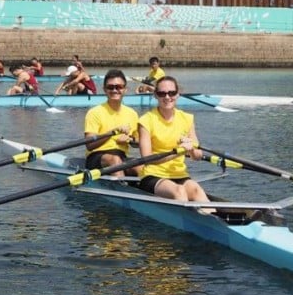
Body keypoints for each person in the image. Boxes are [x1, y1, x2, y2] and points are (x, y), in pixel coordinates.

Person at [136, 76, 212, 209]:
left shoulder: (187, 119)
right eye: (162, 93)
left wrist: (191, 150)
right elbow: (147, 158)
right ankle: (188, 225)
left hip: (180, 174)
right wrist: (178, 151)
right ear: (155, 95)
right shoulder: (146, 121)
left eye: (171, 93)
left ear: (178, 95)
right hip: (152, 175)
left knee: (196, 190)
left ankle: (214, 220)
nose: (167, 97)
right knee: (179, 191)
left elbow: (198, 156)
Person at [83, 69, 140, 176]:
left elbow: (138, 142)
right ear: (104, 90)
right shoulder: (94, 112)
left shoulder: (132, 113)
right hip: (96, 157)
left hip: (121, 155)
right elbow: (89, 144)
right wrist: (112, 133)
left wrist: (130, 140)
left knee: (141, 167)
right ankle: (121, 189)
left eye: (118, 87)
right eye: (110, 87)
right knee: (114, 160)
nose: (114, 90)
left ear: (125, 89)